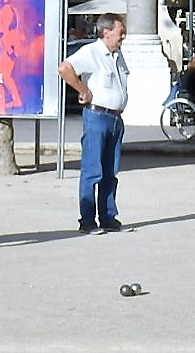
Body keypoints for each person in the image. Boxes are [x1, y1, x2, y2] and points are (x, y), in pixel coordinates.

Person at [58, 13, 129, 234]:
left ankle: (108, 216)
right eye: (120, 32)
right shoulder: (92, 52)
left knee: (110, 171)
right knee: (92, 170)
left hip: (115, 118)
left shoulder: (117, 55)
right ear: (106, 32)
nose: (123, 37)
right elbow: (64, 68)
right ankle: (87, 220)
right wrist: (83, 90)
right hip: (97, 116)